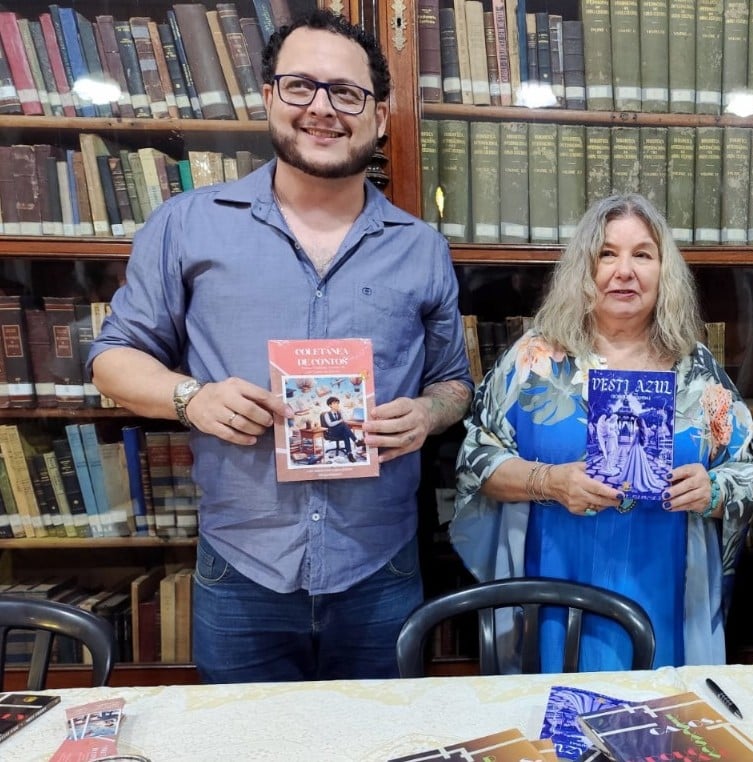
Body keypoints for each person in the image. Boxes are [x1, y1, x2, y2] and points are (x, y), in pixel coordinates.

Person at [89, 10, 472, 682]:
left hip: (379, 567)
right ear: (269, 97)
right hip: (242, 568)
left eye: (346, 93)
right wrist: (191, 398)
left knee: (385, 735)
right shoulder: (187, 226)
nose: (322, 108)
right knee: (247, 737)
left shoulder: (422, 249)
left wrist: (427, 414)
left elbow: (454, 383)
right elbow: (111, 359)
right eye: (301, 86)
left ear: (380, 116)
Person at [452, 193, 753, 671]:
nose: (624, 271)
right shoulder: (534, 360)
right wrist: (549, 481)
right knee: (560, 706)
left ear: (664, 271)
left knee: (654, 712)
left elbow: (744, 473)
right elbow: (475, 460)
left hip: (664, 582)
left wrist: (712, 490)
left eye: (643, 255)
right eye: (607, 254)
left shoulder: (696, 368)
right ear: (583, 268)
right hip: (554, 578)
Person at [320, 395, 357, 460]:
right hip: (332, 432)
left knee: (345, 433)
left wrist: (342, 412)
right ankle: (356, 440)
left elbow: (345, 420)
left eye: (337, 403)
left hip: (340, 431)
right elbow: (330, 424)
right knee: (343, 425)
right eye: (334, 403)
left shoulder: (339, 412)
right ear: (330, 405)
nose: (336, 405)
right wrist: (340, 421)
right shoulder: (326, 414)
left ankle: (349, 453)